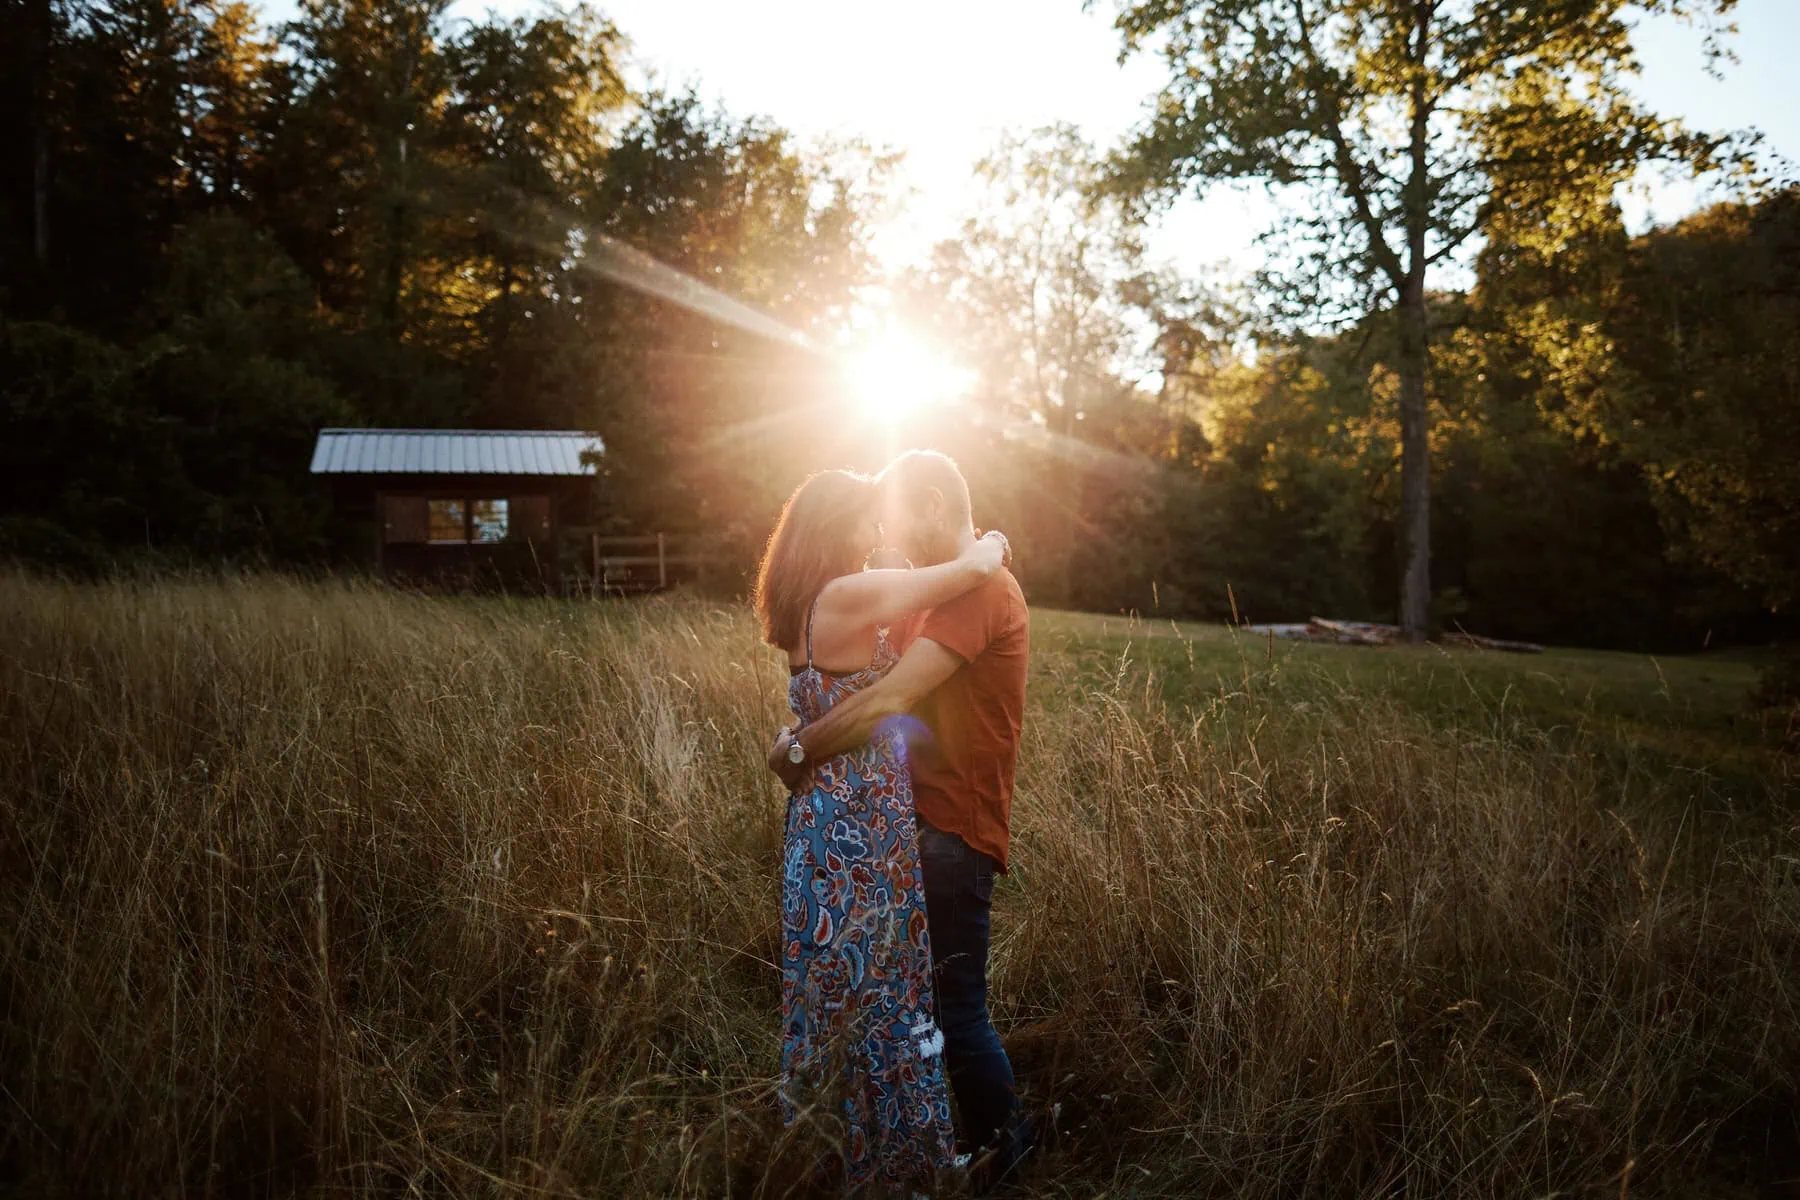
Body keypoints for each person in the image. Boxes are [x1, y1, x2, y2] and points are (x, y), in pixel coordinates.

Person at [770, 450, 1035, 1191]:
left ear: (927, 505)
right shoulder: (920, 593)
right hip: (893, 830)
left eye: (893, 513)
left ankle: (1008, 1152)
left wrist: (799, 749)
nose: (884, 531)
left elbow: (886, 699)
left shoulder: (980, 594)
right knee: (896, 1002)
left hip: (952, 832)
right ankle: (900, 1147)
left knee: (953, 1010)